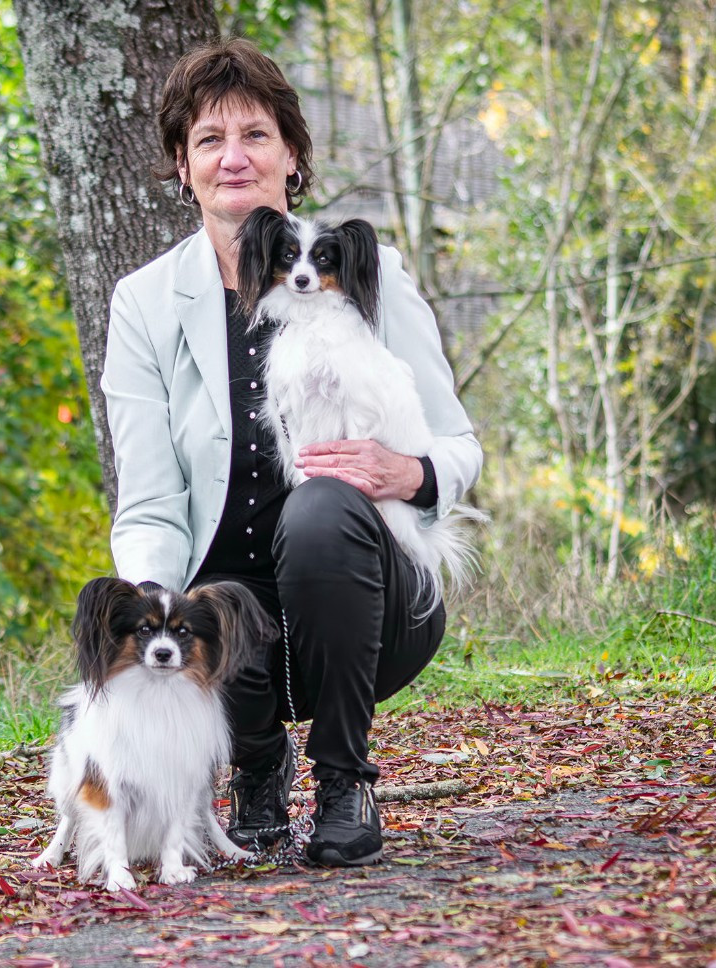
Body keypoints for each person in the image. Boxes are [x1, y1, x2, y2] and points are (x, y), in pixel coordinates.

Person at [100, 38, 482, 867]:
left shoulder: (367, 273)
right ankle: (257, 763)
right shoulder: (144, 304)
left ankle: (346, 781)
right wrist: (154, 604)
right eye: (209, 139)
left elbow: (459, 447)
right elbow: (152, 502)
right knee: (215, 592)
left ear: (293, 156)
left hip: (367, 610)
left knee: (318, 508)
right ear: (183, 165)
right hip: (230, 639)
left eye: (256, 135)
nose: (233, 157)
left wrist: (410, 474)